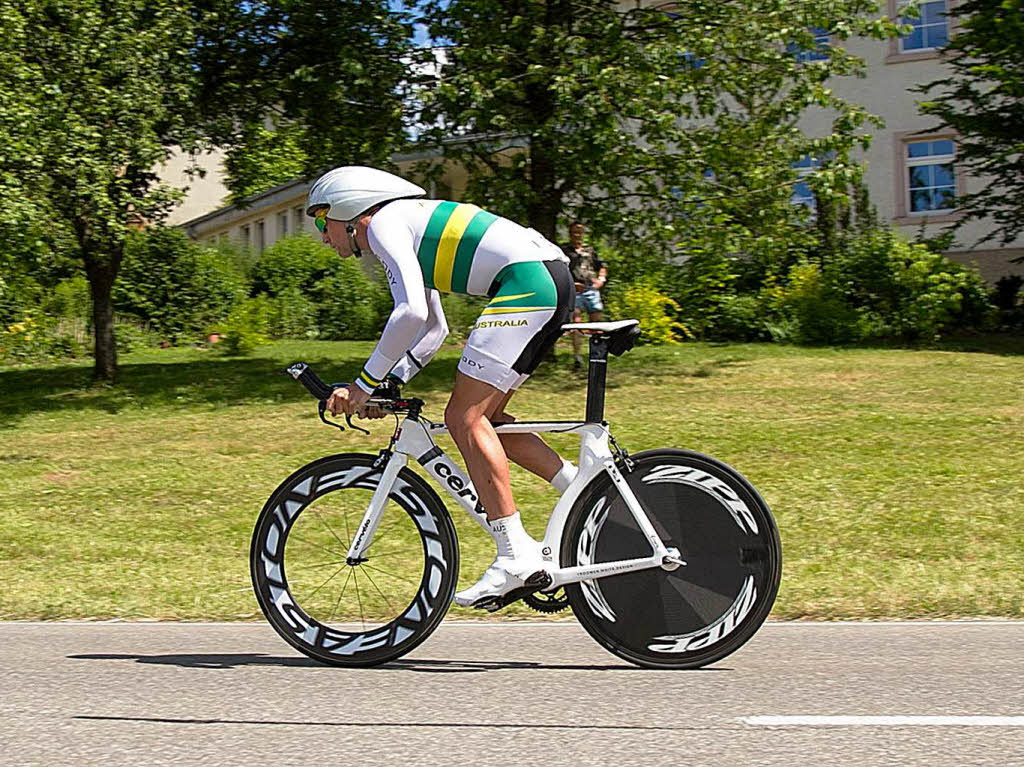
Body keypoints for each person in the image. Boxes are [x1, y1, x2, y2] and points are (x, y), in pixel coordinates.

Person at [307, 166, 578, 608]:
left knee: (463, 418)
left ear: (350, 211)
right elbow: (433, 328)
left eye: (322, 221)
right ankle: (582, 490)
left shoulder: (384, 225)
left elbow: (410, 314)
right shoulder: (405, 225)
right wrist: (390, 382)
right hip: (548, 278)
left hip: (527, 283)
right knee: (487, 420)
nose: (322, 236)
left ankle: (515, 556)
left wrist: (362, 385)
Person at [561, 221, 607, 369]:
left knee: (597, 323)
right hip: (575, 290)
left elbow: (602, 266)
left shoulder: (590, 250)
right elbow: (560, 269)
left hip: (591, 289)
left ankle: (598, 355)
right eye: (574, 231)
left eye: (580, 232)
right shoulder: (564, 251)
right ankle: (577, 357)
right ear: (569, 233)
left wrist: (601, 279)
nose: (577, 234)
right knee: (576, 322)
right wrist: (570, 283)